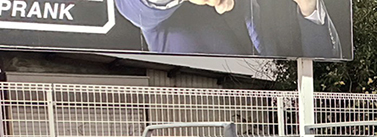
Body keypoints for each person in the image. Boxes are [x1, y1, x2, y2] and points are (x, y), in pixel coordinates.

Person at [115, 0, 342, 58]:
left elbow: (322, 62)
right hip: (202, 114)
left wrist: (308, 8)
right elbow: (133, 8)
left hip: (268, 120)